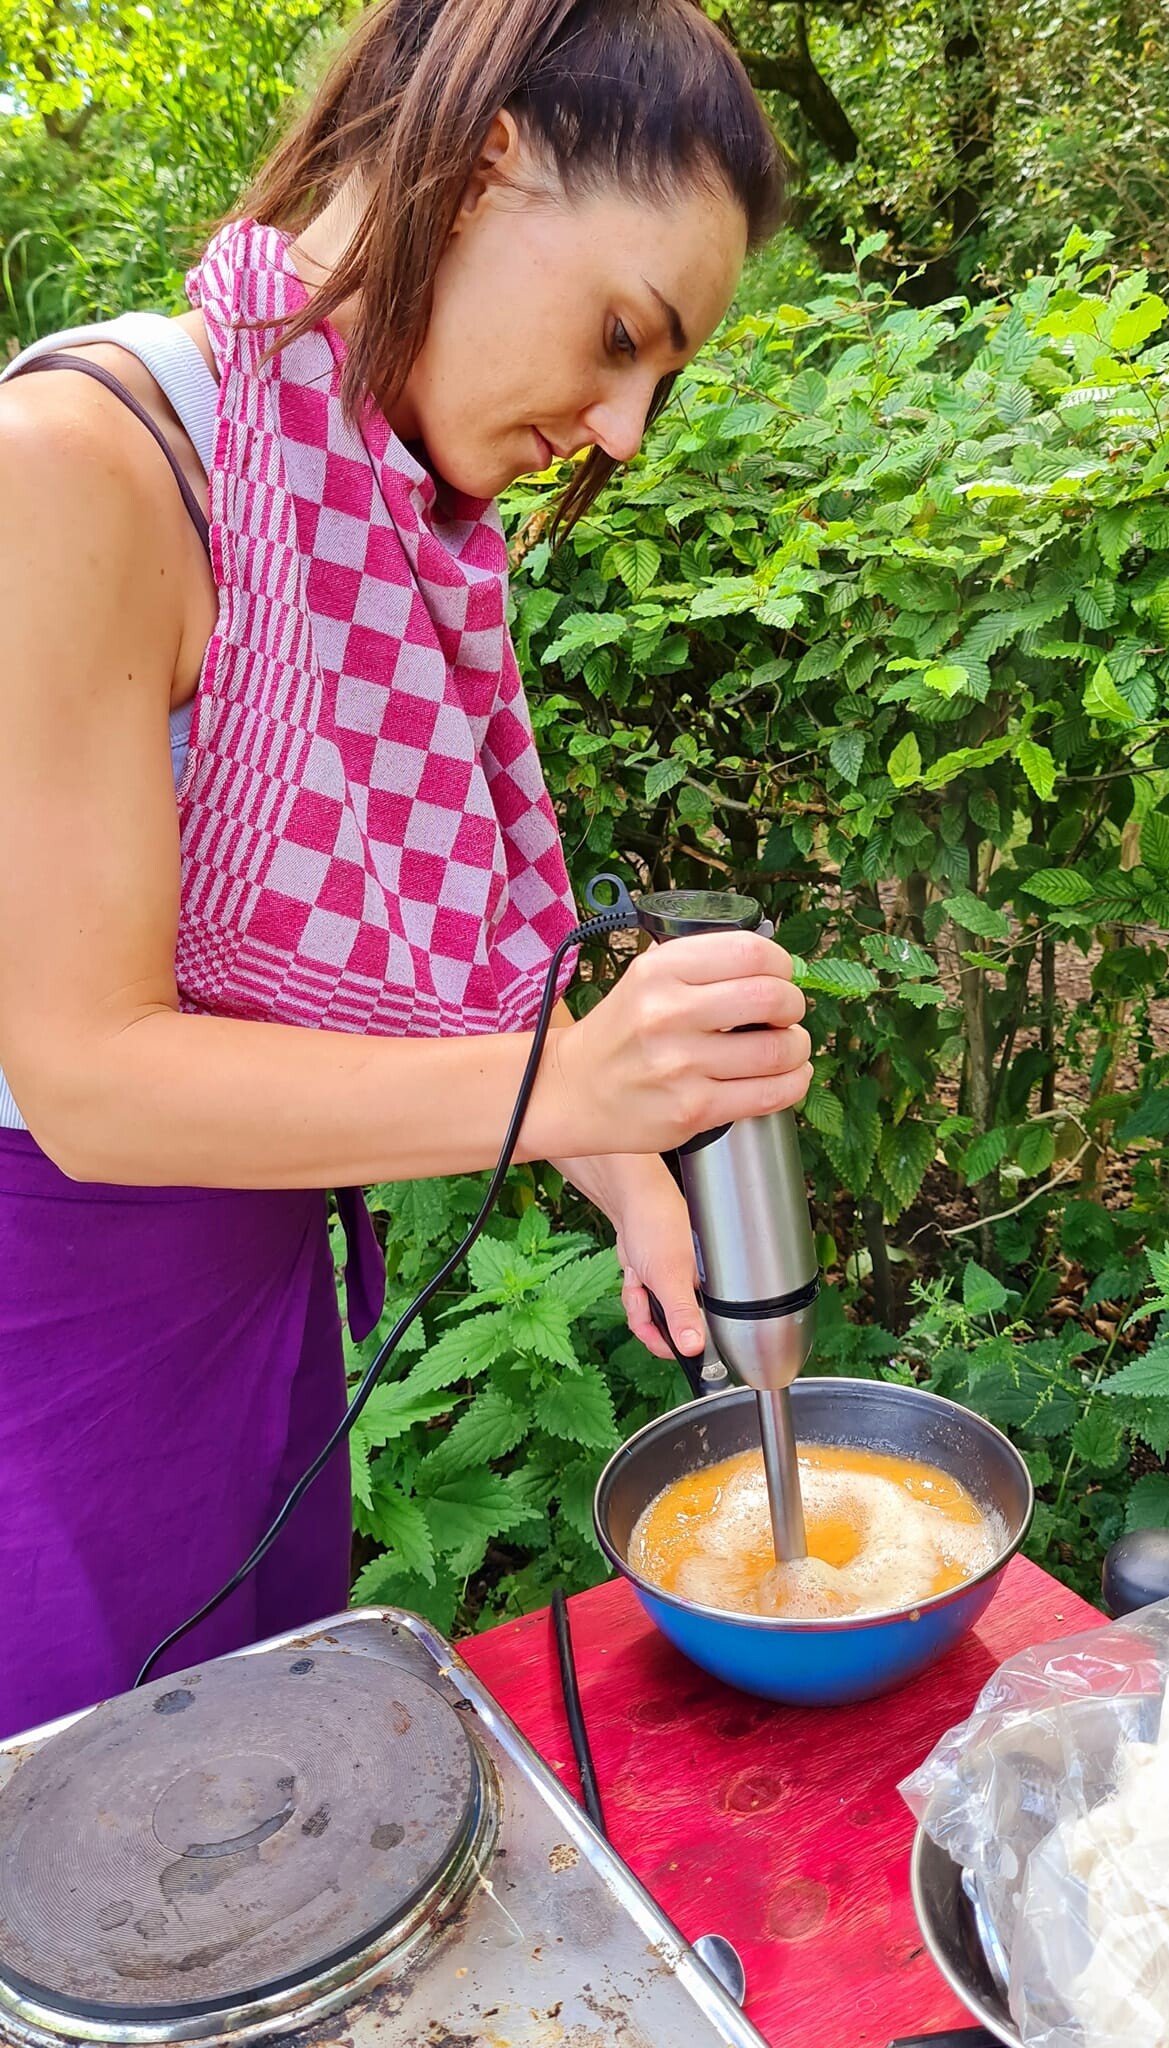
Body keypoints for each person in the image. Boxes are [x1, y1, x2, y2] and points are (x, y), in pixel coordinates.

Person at [0, 0, 811, 1737]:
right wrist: (567, 1090)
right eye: (620, 335)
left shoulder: (382, 510)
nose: (622, 434)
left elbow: (420, 968)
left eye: (661, 379)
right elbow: (84, 1080)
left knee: (250, 1775)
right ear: (479, 168)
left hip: (255, 1283)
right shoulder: (81, 471)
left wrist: (621, 1152)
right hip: (44, 1329)